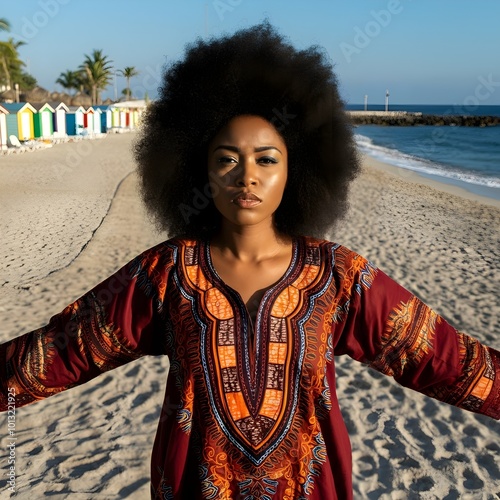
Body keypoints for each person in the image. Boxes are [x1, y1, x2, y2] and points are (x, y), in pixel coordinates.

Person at [1, 22, 499, 500]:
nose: (246, 177)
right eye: (226, 159)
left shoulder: (340, 277)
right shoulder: (166, 273)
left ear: (297, 169)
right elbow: (63, 348)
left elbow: (443, 359)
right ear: (200, 170)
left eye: (266, 158)